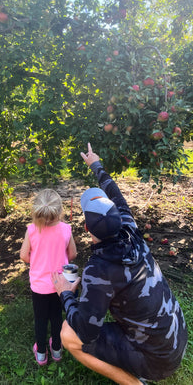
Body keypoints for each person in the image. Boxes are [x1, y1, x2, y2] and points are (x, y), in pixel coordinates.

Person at [52, 143, 188, 385]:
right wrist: (96, 165)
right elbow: (116, 194)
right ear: (117, 214)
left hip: (157, 361)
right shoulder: (130, 228)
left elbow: (86, 330)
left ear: (86, 229)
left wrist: (65, 294)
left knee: (68, 334)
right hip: (175, 340)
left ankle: (136, 382)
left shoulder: (99, 269)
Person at [20, 189, 77, 365]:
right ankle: (57, 350)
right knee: (56, 317)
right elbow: (73, 253)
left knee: (40, 319)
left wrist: (35, 261)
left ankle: (42, 353)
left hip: (39, 286)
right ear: (60, 211)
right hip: (61, 285)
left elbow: (23, 256)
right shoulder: (66, 229)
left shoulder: (31, 230)